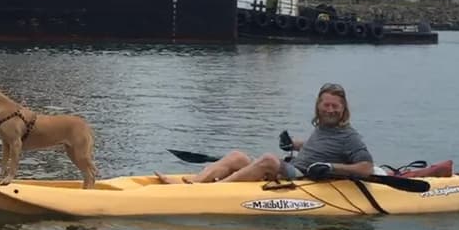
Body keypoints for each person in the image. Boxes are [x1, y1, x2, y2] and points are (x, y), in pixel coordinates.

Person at [157, 83, 373, 183]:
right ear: (318, 106)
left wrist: (331, 167)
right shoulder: (324, 128)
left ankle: (212, 190)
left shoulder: (350, 137)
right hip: (292, 168)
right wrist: (293, 144)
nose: (331, 110)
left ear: (344, 108)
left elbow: (366, 168)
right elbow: (319, 146)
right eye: (326, 105)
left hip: (302, 178)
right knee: (237, 156)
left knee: (268, 160)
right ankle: (196, 181)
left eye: (335, 106)